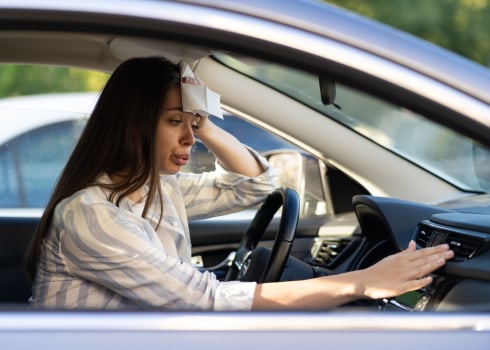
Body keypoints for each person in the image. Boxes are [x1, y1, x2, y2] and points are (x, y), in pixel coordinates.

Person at [25, 56, 454, 311]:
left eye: (192, 124)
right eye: (175, 122)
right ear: (132, 124)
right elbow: (201, 300)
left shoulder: (155, 189)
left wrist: (204, 121)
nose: (189, 139)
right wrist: (361, 283)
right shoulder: (92, 213)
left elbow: (254, 185)